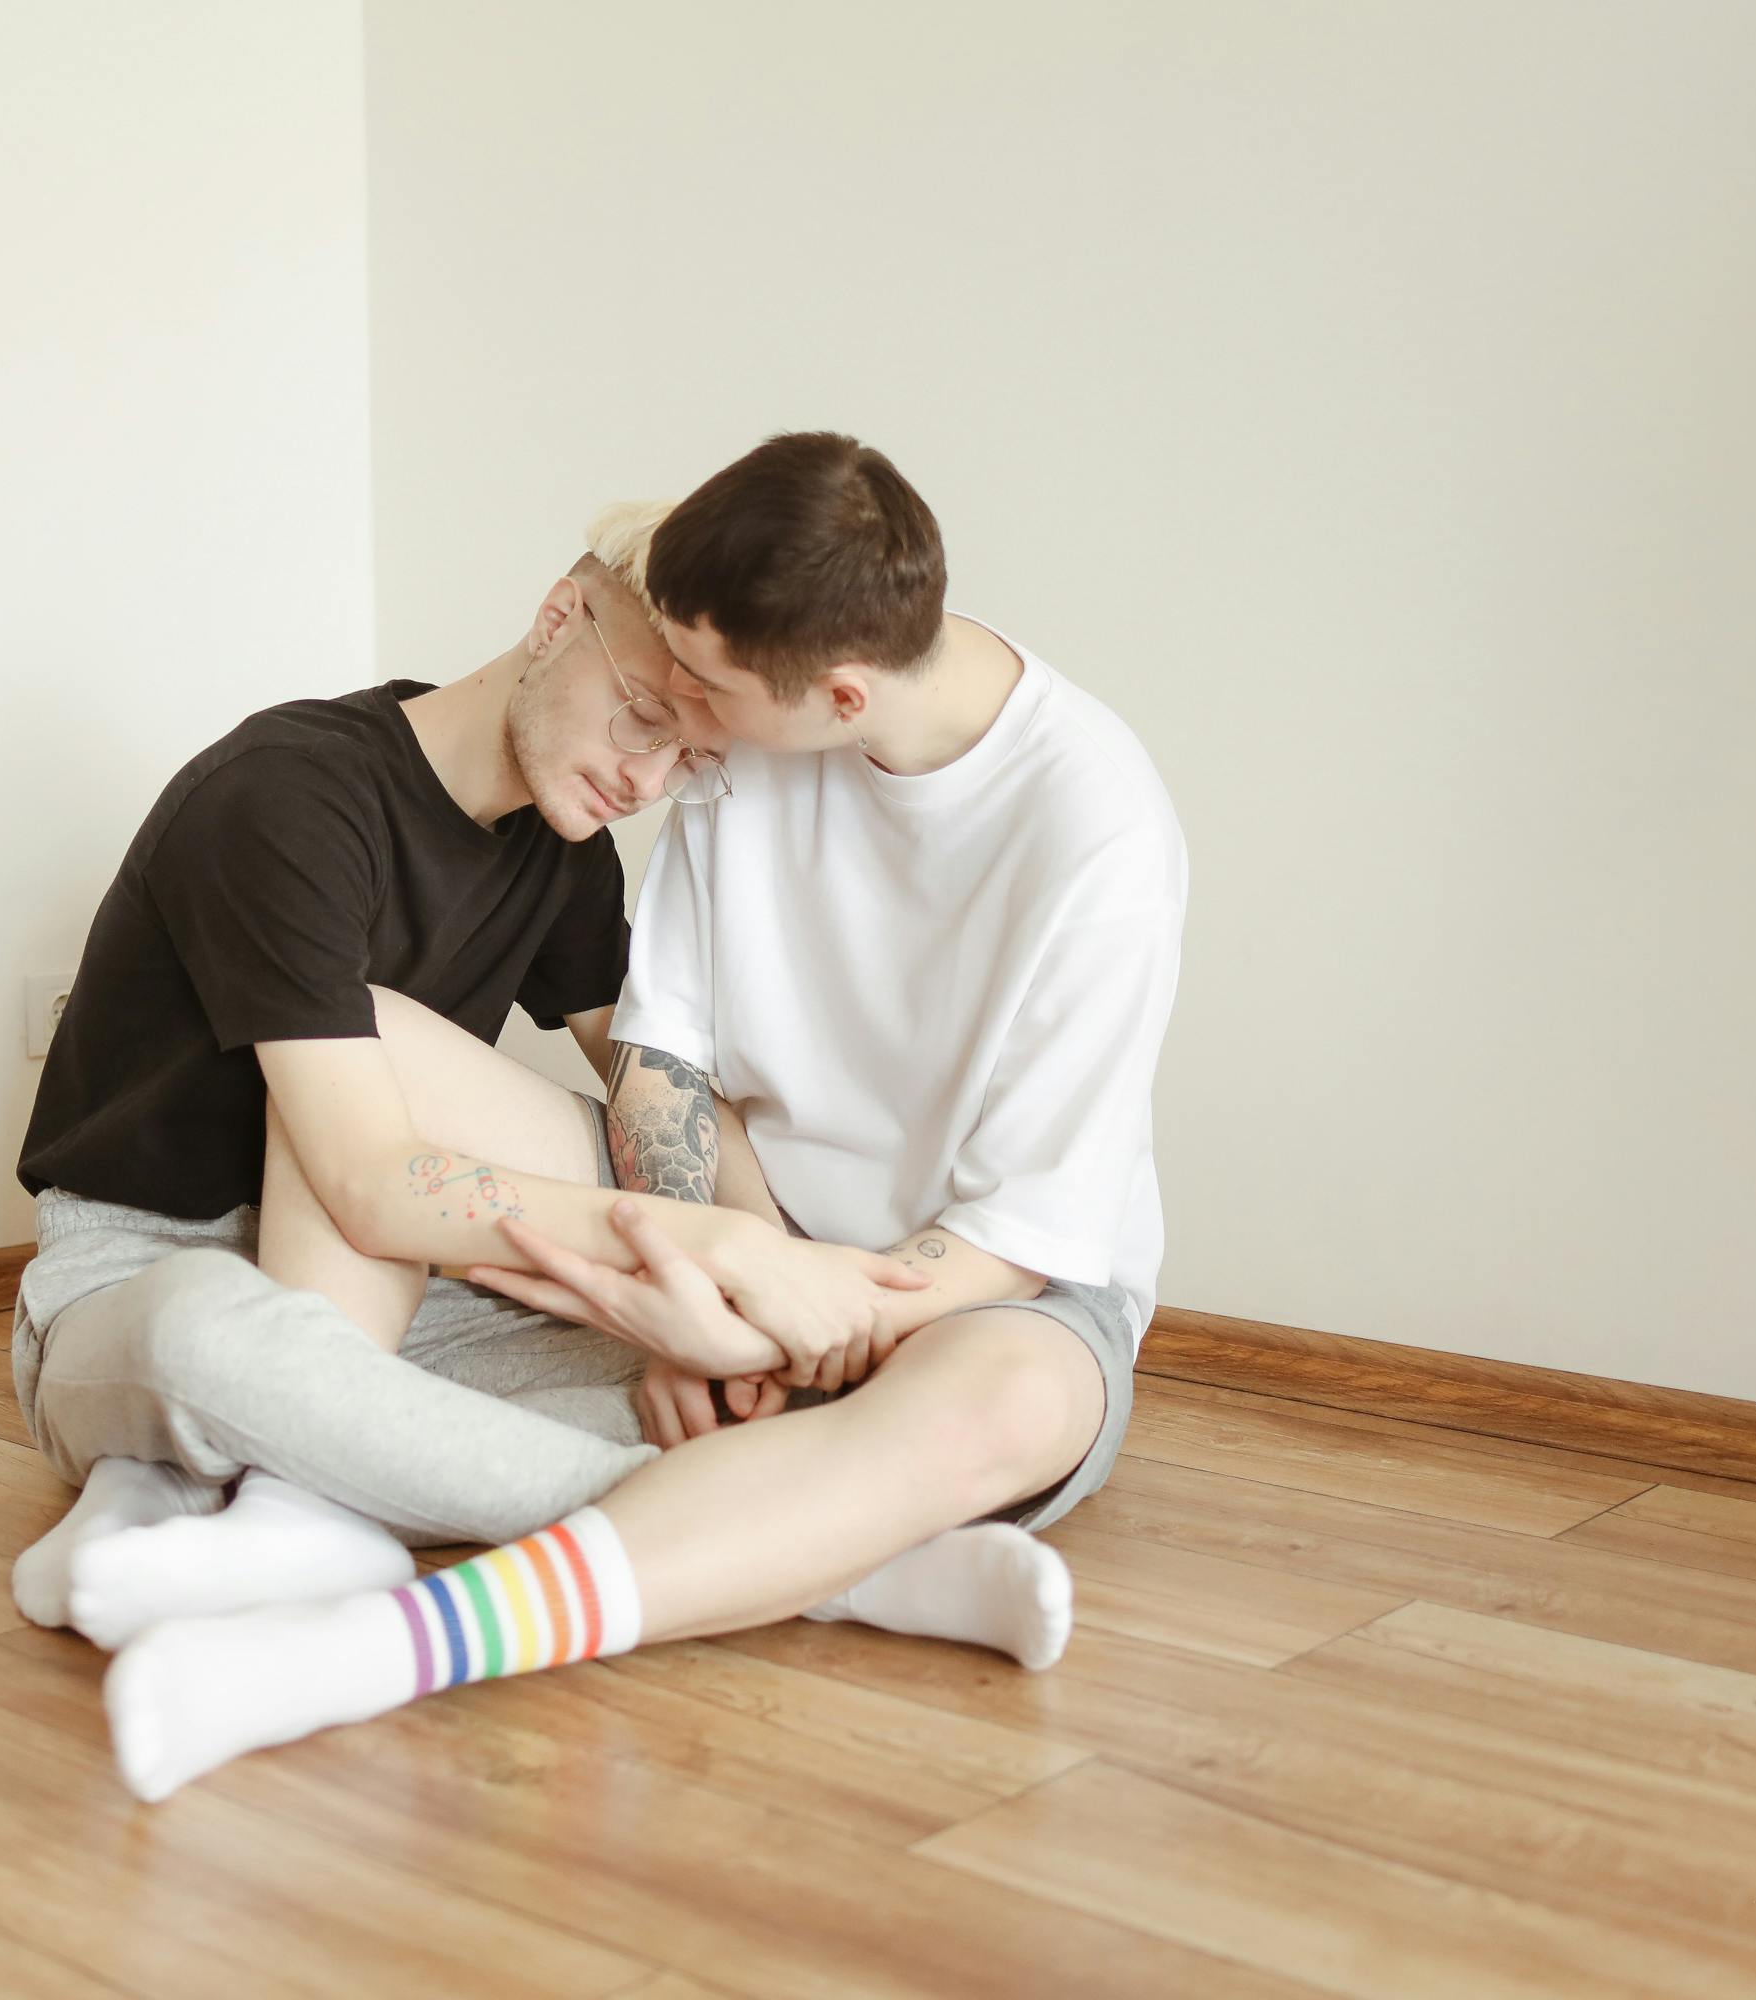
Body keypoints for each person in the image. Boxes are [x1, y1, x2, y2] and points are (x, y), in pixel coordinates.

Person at [95, 431, 1188, 1803]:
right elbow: (659, 1065)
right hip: (745, 1211)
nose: (674, 704)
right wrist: (697, 1266)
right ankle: (331, 1507)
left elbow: (1022, 1233)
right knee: (358, 1040)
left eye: (703, 685)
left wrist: (782, 1318)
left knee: (1010, 1405)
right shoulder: (741, 724)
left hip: (971, 1287)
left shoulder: (1099, 833)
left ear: (839, 695)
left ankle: (386, 1647)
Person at [1, 506, 1062, 1668]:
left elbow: (651, 1094)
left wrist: (762, 1263)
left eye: (688, 759)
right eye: (646, 716)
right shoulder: (288, 797)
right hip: (155, 1268)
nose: (645, 777)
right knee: (213, 1335)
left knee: (715, 1381)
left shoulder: (567, 853)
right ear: (561, 617)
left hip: (406, 1281)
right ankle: (842, 1567)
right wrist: (686, 1239)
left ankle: (233, 1486)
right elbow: (366, 1179)